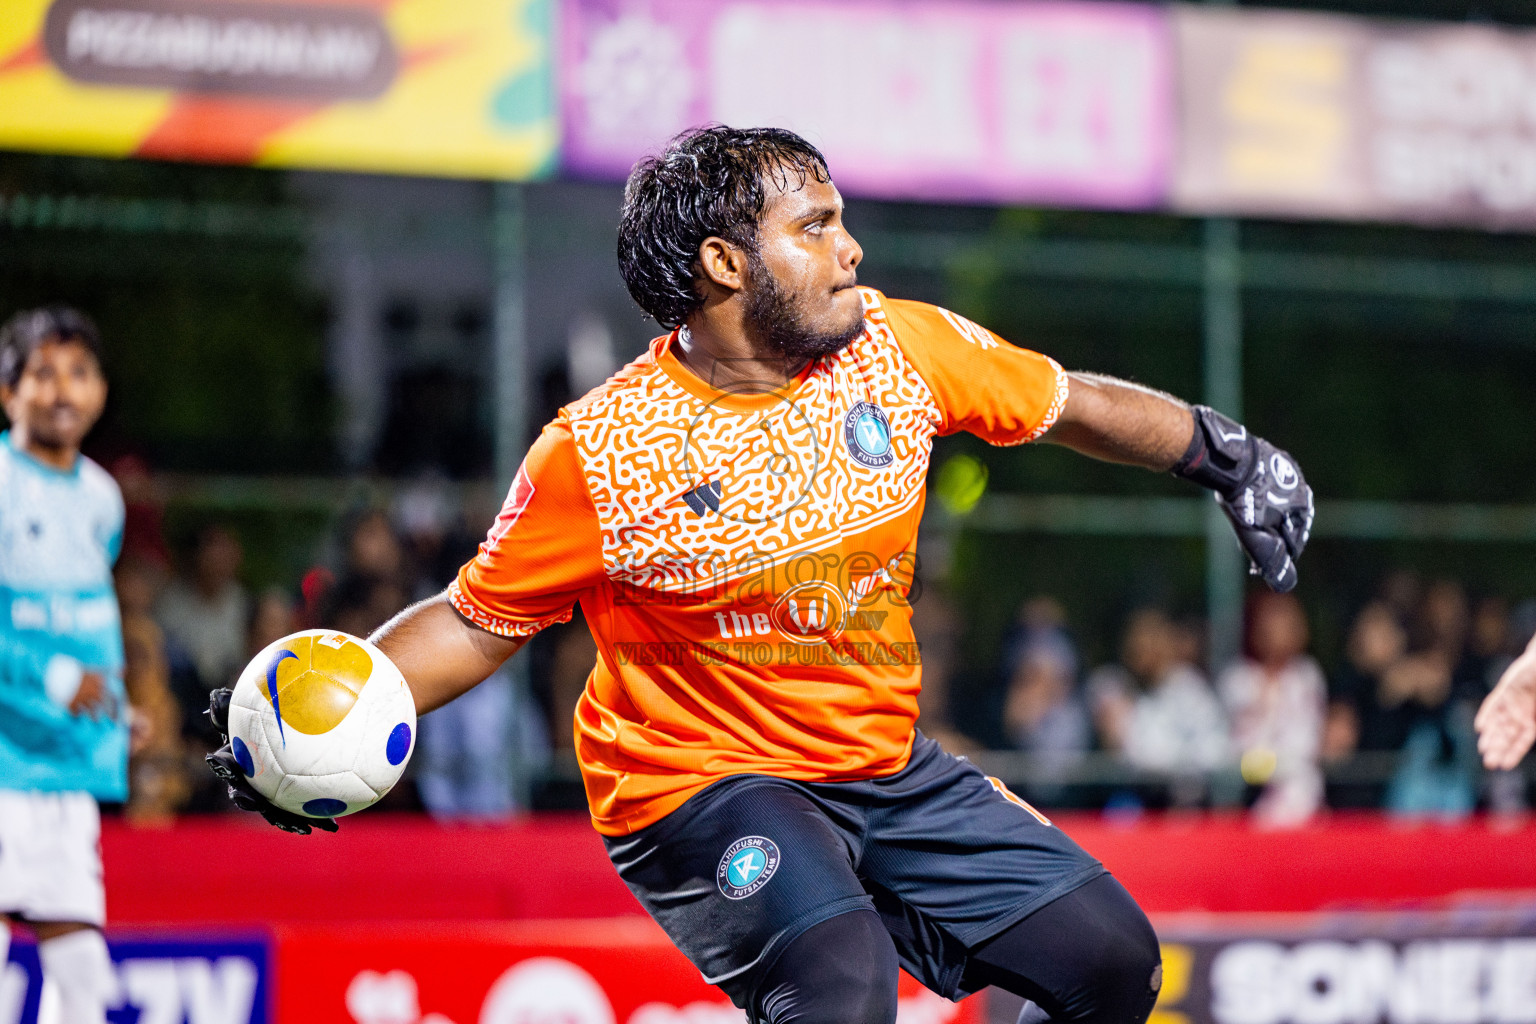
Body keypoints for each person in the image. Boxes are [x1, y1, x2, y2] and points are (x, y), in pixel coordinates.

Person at [209, 127, 1313, 1024]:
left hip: (882, 764)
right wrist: (324, 713)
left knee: (1114, 967)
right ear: (726, 265)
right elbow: (473, 619)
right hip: (695, 784)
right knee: (839, 986)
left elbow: (1068, 401)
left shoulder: (898, 348)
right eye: (817, 225)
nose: (853, 251)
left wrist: (1228, 454)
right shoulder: (601, 451)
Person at [0, 307, 130, 1023]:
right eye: (42, 374)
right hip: (1, 762)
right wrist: (51, 681)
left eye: (78, 374)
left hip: (66, 769)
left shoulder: (101, 499)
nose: (61, 392)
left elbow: (83, 631)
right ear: (8, 393)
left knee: (84, 983)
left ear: (100, 392)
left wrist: (114, 712)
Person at [1217, 592, 1326, 826]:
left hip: (1302, 795)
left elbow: (1308, 743)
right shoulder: (1239, 679)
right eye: (1271, 623)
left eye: (1289, 623)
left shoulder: (1307, 676)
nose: (1280, 631)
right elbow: (1237, 750)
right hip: (1249, 793)